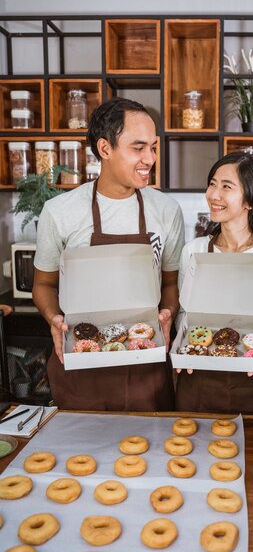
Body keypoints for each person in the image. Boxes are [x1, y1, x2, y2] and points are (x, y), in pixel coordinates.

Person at [33, 97, 184, 411]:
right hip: (81, 360)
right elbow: (44, 285)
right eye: (138, 148)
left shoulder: (166, 210)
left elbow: (171, 282)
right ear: (105, 149)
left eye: (153, 147)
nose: (150, 158)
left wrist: (168, 313)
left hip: (146, 361)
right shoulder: (60, 212)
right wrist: (54, 319)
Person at [175, 152, 253, 414]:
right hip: (199, 373)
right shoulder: (194, 251)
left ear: (250, 199)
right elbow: (184, 313)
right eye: (212, 184)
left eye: (226, 187)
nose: (214, 195)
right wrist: (183, 344)